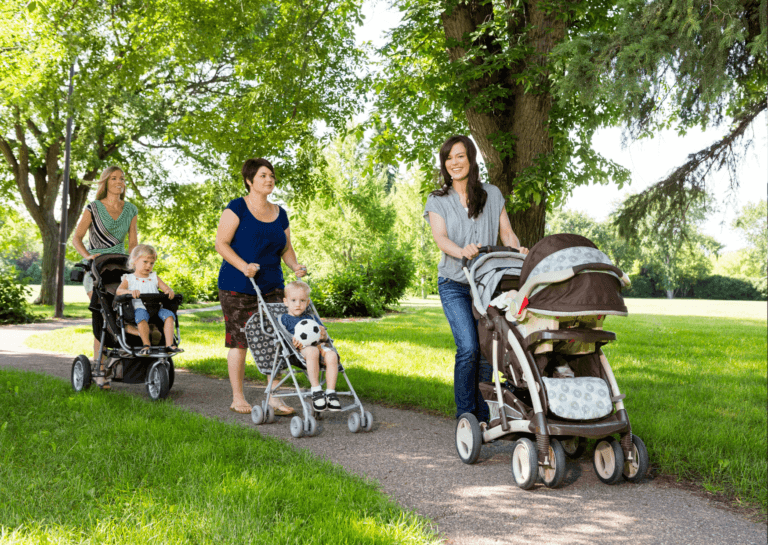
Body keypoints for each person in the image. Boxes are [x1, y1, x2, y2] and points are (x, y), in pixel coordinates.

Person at [423, 135, 529, 422]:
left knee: (485, 352)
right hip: (455, 283)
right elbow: (440, 238)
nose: (454, 163)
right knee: (468, 347)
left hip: (486, 285)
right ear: (444, 164)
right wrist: (462, 251)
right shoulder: (438, 200)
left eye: (460, 156)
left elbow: (506, 232)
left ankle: (484, 418)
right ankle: (466, 416)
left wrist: (517, 249)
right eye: (448, 158)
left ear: (471, 159)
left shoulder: (492, 194)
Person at [215, 158, 307, 415]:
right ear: (249, 180)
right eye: (263, 176)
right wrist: (244, 266)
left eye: (272, 176)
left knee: (278, 339)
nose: (269, 180)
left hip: (273, 286)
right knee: (240, 341)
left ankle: (274, 397)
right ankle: (237, 397)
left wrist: (295, 267)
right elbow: (221, 243)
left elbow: (286, 248)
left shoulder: (280, 212)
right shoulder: (237, 208)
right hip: (237, 284)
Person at [73, 166, 139, 388]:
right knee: (104, 312)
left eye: (122, 178)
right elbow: (77, 238)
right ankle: (99, 367)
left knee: (123, 312)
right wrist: (89, 257)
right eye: (114, 178)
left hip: (121, 270)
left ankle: (118, 357)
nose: (119, 181)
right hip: (96, 271)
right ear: (105, 182)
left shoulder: (130, 209)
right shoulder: (93, 208)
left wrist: (137, 268)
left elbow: (132, 244)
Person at [280, 281, 341, 412]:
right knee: (312, 351)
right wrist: (293, 340)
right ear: (286, 302)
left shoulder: (312, 318)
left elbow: (323, 335)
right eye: (294, 300)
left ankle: (330, 392)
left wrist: (323, 335)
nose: (298, 304)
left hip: (319, 347)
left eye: (302, 300)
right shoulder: (285, 319)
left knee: (332, 355)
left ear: (307, 303)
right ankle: (316, 390)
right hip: (300, 351)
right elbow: (285, 336)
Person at [116, 244, 182, 356]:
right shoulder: (129, 278)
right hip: (139, 308)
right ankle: (146, 344)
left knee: (170, 316)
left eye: (152, 263)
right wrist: (130, 292)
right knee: (141, 318)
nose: (149, 266)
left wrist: (169, 290)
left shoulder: (154, 277)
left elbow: (165, 288)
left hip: (156, 309)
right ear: (135, 261)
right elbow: (119, 291)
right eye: (145, 262)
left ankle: (169, 345)